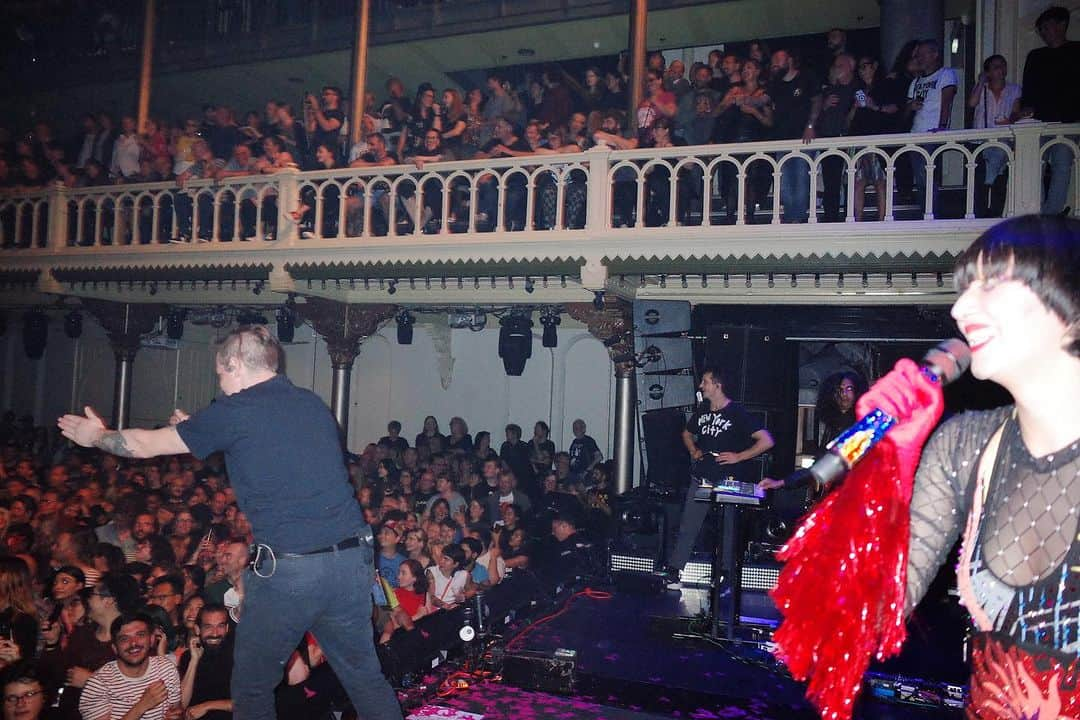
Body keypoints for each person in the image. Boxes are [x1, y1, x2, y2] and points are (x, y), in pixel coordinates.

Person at [58, 325, 403, 720]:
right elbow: (266, 458)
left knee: (252, 687)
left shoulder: (236, 410)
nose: (220, 384)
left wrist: (97, 435)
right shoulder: (310, 403)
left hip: (292, 571)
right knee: (364, 678)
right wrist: (202, 431)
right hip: (349, 562)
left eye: (220, 374)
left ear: (235, 365)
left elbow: (141, 444)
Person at [849, 215, 1080, 718]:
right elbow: (865, 623)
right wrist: (891, 464)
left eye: (989, 283)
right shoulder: (963, 448)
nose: (959, 308)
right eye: (961, 290)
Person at [664, 366, 775, 579]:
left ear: (717, 385)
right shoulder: (703, 411)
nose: (701, 386)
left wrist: (739, 456)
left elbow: (767, 440)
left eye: (705, 382)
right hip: (702, 478)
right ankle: (675, 569)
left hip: (727, 480)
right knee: (689, 525)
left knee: (728, 528)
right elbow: (687, 433)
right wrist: (693, 450)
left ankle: (725, 572)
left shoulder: (737, 412)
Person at [1018, 6, 1079, 215]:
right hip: (1039, 121)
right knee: (1033, 164)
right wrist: (1026, 109)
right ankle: (1035, 210)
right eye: (1041, 30)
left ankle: (1051, 213)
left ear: (1061, 25)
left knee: (1062, 164)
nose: (1044, 33)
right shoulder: (1036, 56)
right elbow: (1029, 88)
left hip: (1067, 119)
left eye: (1046, 27)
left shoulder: (1076, 51)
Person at [78, 612, 182, 720]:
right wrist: (142, 706)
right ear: (114, 648)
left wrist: (178, 715)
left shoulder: (166, 669)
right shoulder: (99, 683)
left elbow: (177, 711)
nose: (133, 643)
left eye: (140, 635)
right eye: (124, 639)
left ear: (151, 640)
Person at [968, 54, 1021, 218]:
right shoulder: (981, 89)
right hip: (981, 141)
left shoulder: (1014, 89)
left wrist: (1008, 121)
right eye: (996, 67)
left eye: (1003, 65)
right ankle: (980, 216)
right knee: (980, 183)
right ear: (988, 72)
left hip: (1004, 140)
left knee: (1000, 182)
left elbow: (1016, 112)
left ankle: (995, 216)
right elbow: (971, 103)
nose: (1001, 70)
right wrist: (981, 82)